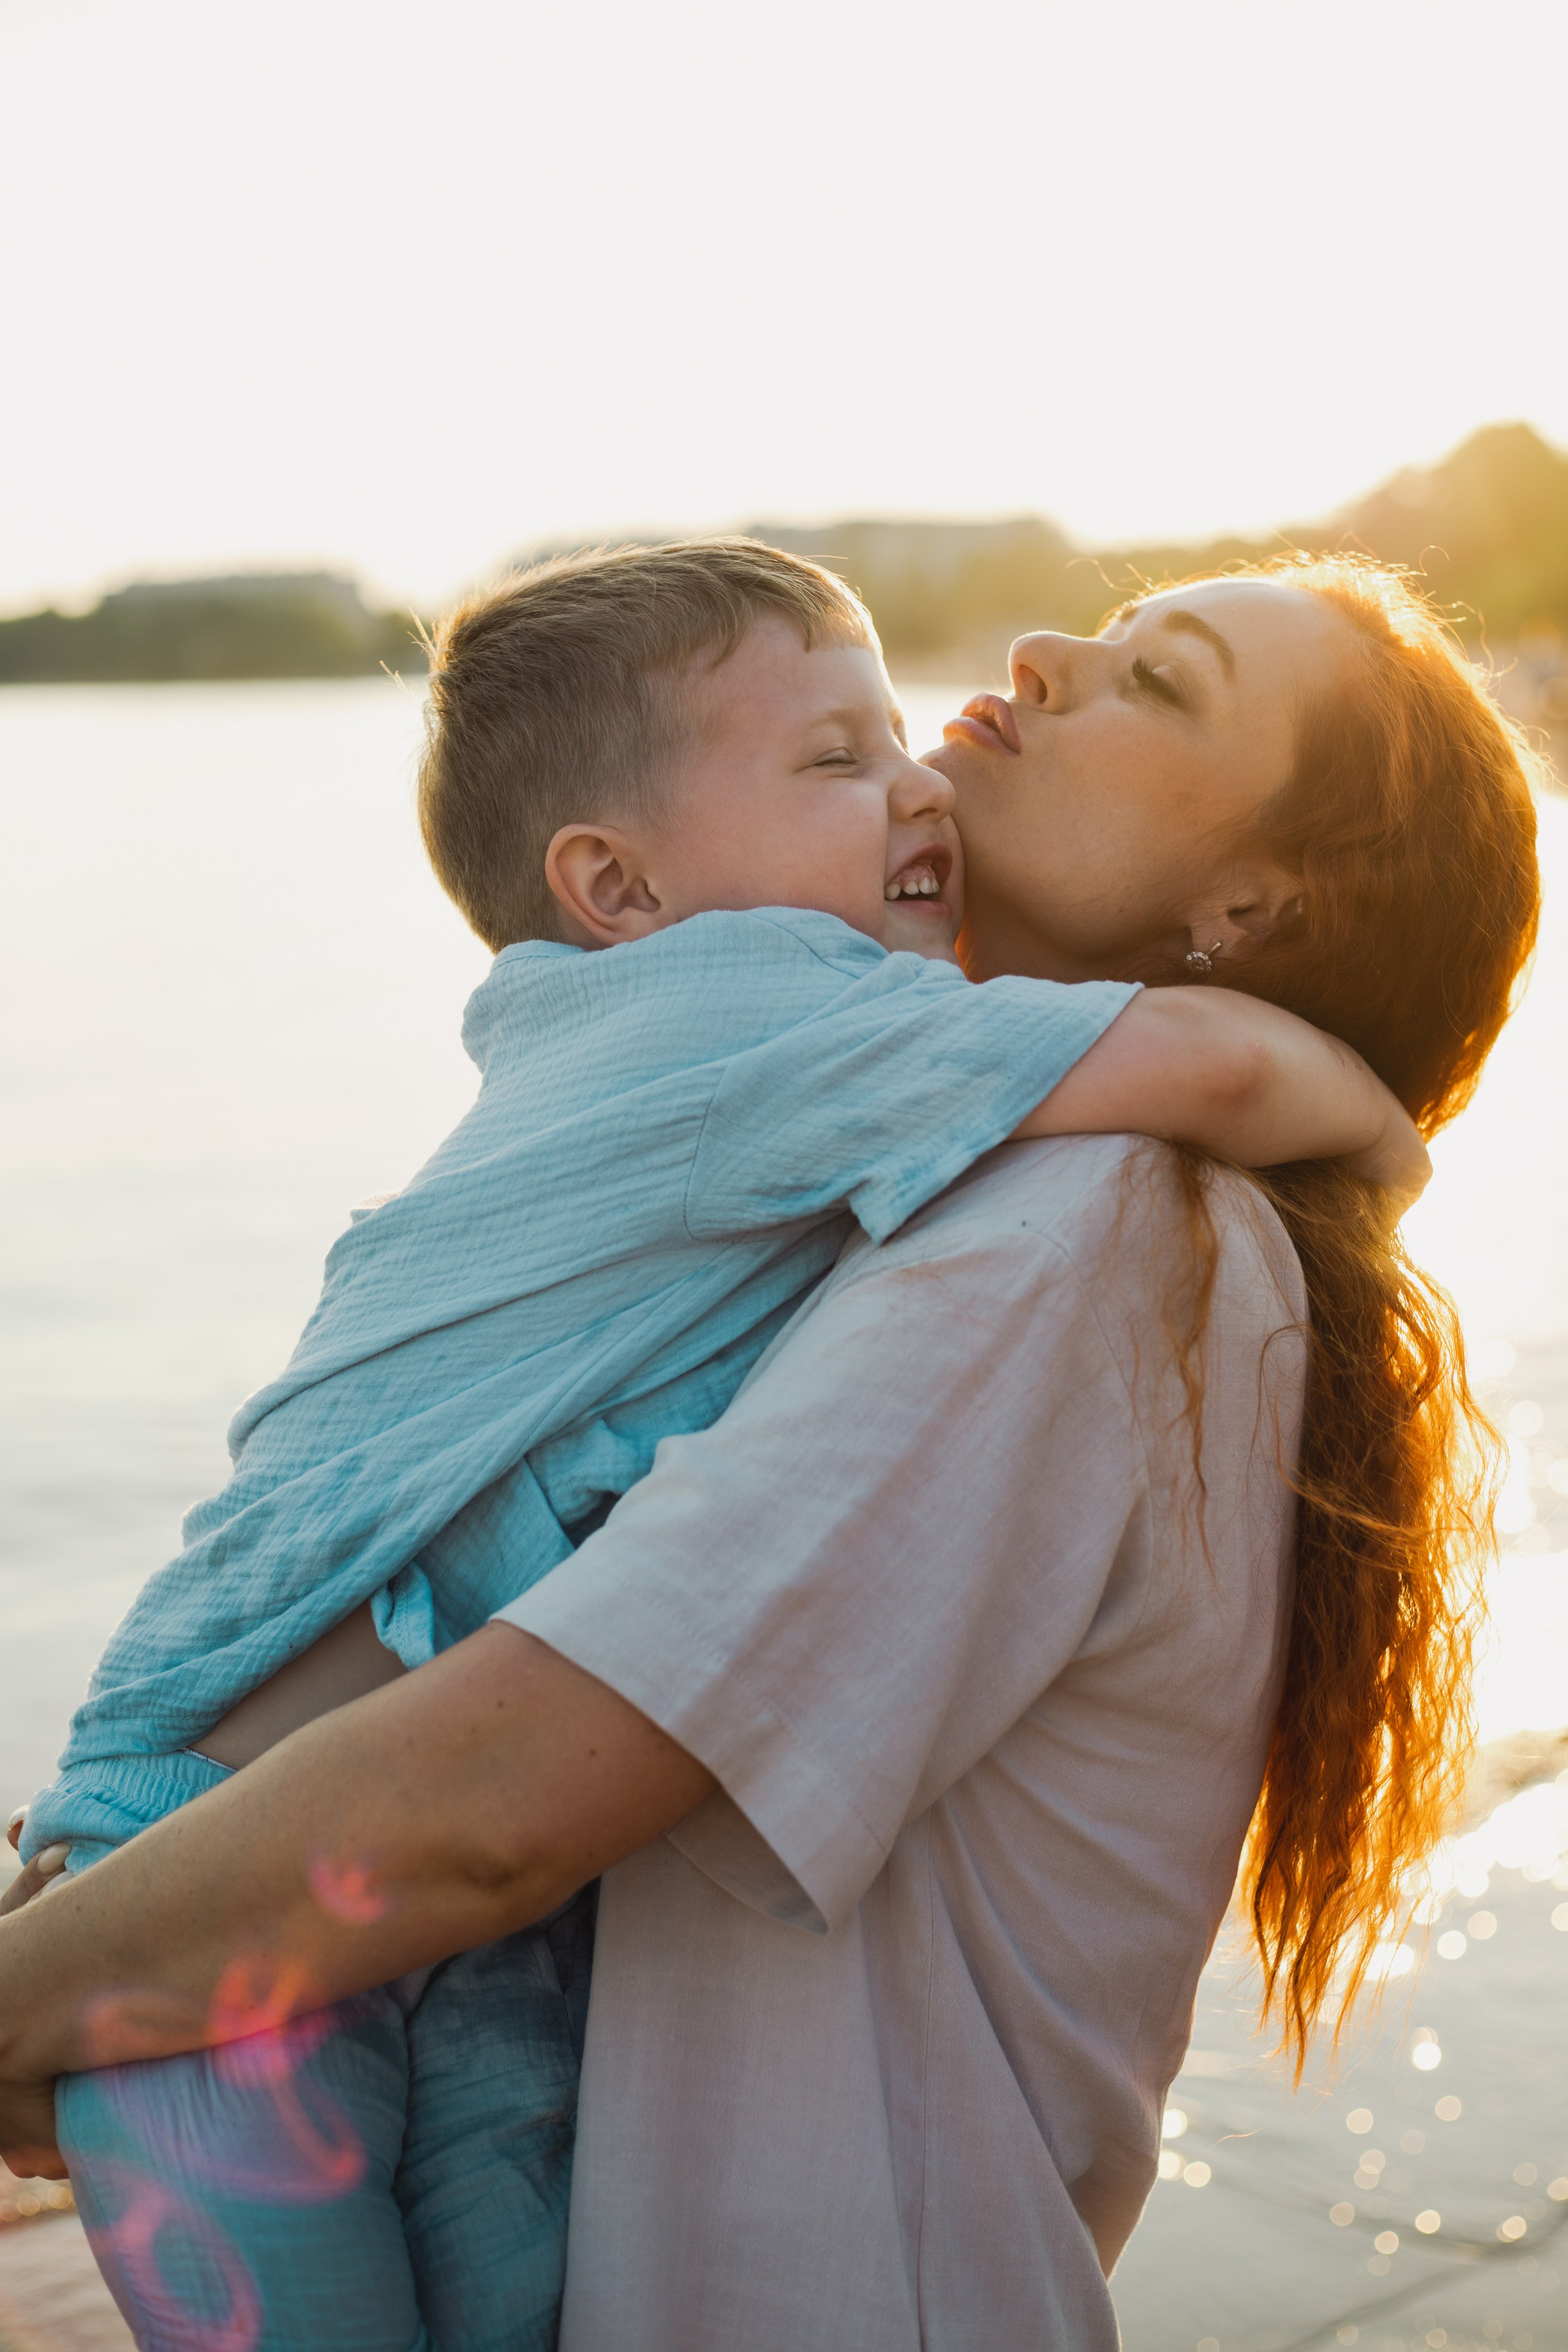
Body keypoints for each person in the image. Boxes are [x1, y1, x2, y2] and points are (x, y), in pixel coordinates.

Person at [0, 556, 1541, 2351]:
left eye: (1160, 683)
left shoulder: (1099, 1227)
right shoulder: (919, 1193)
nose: (1044, 652)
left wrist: (41, 1990)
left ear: (1260, 901)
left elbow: (495, 1798)